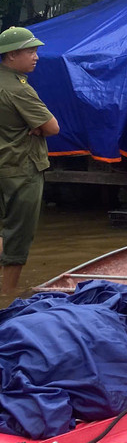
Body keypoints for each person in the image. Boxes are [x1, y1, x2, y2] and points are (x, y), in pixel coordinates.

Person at [0, 27, 60, 297]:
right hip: (21, 170)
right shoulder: (19, 89)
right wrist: (36, 127)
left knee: (4, 230)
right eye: (30, 51)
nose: (36, 57)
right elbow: (52, 127)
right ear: (12, 55)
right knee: (19, 235)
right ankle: (9, 295)